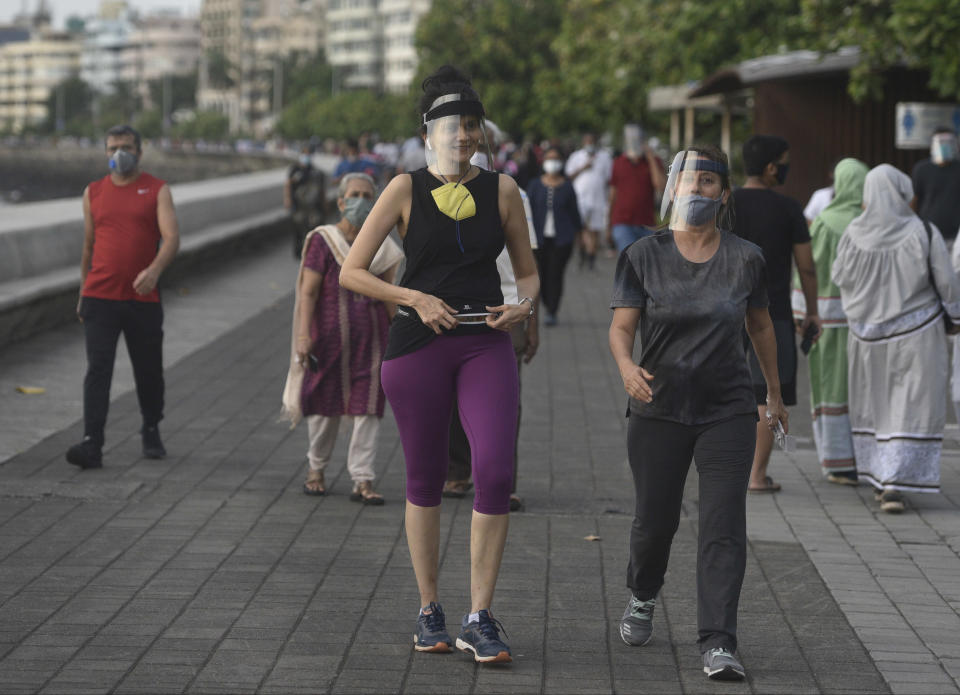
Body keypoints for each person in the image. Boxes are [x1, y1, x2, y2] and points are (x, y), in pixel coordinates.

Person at [339, 65, 539, 663]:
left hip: (484, 342)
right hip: (416, 346)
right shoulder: (403, 188)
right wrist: (414, 297)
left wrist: (522, 307)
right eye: (452, 125)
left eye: (472, 125)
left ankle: (480, 616)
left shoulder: (502, 191)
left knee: (496, 474)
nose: (463, 135)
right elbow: (354, 270)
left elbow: (527, 272)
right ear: (428, 131)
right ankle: (430, 611)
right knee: (424, 478)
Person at [609, 145, 785, 682]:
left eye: (709, 181)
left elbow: (760, 327)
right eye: (688, 180)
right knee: (654, 523)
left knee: (723, 524)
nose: (698, 188)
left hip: (727, 409)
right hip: (658, 408)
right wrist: (625, 365)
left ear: (724, 193)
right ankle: (643, 593)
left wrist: (773, 395)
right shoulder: (643, 254)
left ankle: (718, 641)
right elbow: (621, 327)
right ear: (673, 190)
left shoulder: (747, 257)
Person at [832, 164, 960, 513]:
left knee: (875, 405)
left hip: (865, 338)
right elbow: (947, 283)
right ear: (903, 194)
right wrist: (956, 317)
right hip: (916, 335)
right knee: (910, 405)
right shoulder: (923, 231)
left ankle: (880, 479)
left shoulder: (852, 234)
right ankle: (895, 483)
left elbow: (840, 278)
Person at [281, 172, 403, 502]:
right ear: (340, 201)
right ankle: (316, 469)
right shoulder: (323, 240)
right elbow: (308, 292)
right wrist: (303, 336)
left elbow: (391, 294)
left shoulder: (382, 245)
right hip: (328, 339)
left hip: (373, 340)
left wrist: (402, 337)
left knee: (368, 408)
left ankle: (363, 479)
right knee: (324, 405)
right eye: (355, 195)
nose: (362, 202)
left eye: (368, 196)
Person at [66, 124, 180, 469]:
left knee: (148, 371)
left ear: (140, 152)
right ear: (105, 152)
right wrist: (83, 292)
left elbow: (171, 238)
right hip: (100, 297)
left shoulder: (157, 190)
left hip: (142, 299)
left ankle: (150, 426)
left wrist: (155, 271)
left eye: (126, 146)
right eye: (113, 147)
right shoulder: (93, 192)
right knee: (97, 370)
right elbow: (88, 247)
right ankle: (92, 443)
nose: (119, 153)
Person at [443, 175, 539, 512]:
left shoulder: (516, 194)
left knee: (505, 400)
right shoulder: (438, 191)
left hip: (507, 312)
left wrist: (531, 321)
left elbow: (530, 265)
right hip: (457, 311)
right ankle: (458, 471)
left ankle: (503, 481)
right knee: (454, 397)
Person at [733, 134, 822, 493]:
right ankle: (756, 475)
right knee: (768, 395)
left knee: (730, 390)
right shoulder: (788, 209)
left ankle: (728, 469)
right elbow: (807, 267)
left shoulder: (726, 203)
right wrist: (812, 311)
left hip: (726, 310)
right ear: (772, 168)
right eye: (783, 161)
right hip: (774, 315)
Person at [791, 159, 868, 485]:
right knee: (863, 392)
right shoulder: (872, 223)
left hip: (826, 322)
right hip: (866, 326)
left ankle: (838, 461)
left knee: (831, 388)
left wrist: (801, 314)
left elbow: (808, 270)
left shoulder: (825, 223)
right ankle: (867, 458)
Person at [526, 148, 583, 326]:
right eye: (549, 159)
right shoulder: (535, 185)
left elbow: (575, 214)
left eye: (556, 158)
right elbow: (526, 212)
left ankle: (552, 309)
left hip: (562, 239)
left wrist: (580, 237)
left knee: (556, 273)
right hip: (538, 239)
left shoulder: (567, 186)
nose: (552, 162)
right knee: (541, 274)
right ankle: (545, 301)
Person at [607, 124, 666, 253]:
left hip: (647, 223)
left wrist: (650, 158)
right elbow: (612, 195)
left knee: (647, 265)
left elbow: (660, 186)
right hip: (622, 222)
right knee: (630, 261)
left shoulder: (654, 161)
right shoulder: (618, 162)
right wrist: (609, 224)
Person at [566, 133, 613, 268]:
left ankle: (591, 256)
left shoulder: (604, 157)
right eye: (587, 141)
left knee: (595, 229)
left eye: (591, 141)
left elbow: (609, 178)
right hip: (580, 198)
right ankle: (582, 251)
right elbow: (569, 175)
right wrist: (583, 168)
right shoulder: (576, 156)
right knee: (581, 228)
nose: (589, 144)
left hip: (598, 198)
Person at [912, 128, 960, 243]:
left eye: (948, 143)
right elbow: (914, 199)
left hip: (956, 235)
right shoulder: (921, 169)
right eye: (940, 142)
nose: (944, 146)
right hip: (929, 232)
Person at [284, 146, 327, 258]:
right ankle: (298, 251)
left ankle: (313, 252)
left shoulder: (315, 171)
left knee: (314, 227)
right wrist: (288, 199)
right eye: (304, 154)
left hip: (313, 205)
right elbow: (288, 184)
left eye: (308, 154)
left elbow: (321, 188)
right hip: (298, 205)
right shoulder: (295, 170)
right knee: (297, 227)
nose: (306, 157)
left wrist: (324, 203)